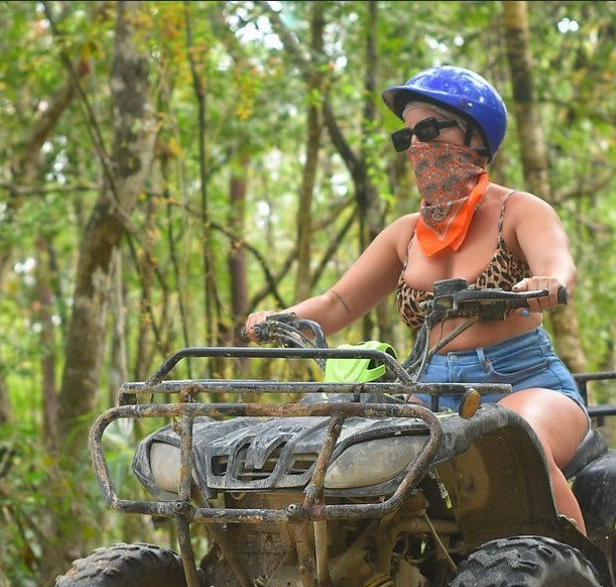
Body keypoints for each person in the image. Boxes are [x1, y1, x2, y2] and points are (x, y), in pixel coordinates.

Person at [245, 65, 588, 528]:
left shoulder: (519, 211)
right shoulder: (404, 234)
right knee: (340, 441)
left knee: (514, 441)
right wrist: (279, 317)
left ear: (474, 135)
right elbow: (339, 304)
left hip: (523, 382)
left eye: (429, 129)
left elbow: (558, 264)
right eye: (408, 138)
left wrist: (546, 283)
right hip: (426, 389)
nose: (419, 147)